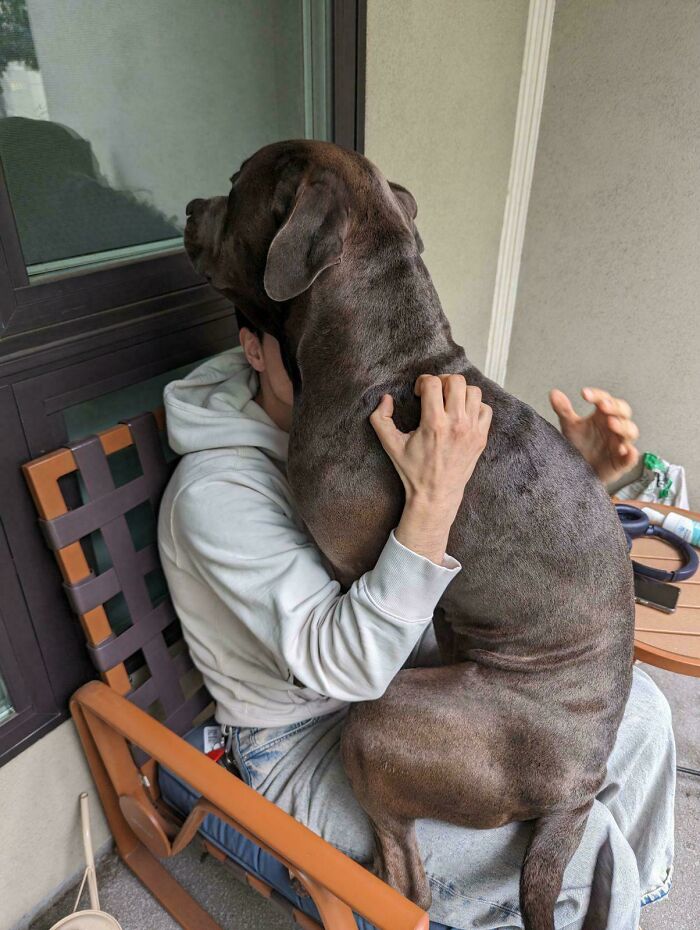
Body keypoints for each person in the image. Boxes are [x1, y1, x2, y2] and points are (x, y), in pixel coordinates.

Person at [158, 314, 675, 930]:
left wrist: (577, 479)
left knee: (641, 713)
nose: (341, 361)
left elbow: (483, 551)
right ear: (255, 350)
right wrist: (432, 500)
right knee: (583, 862)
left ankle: (626, 912)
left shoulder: (357, 425)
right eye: (309, 347)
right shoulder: (216, 493)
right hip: (305, 736)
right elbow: (346, 668)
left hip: (428, 681)